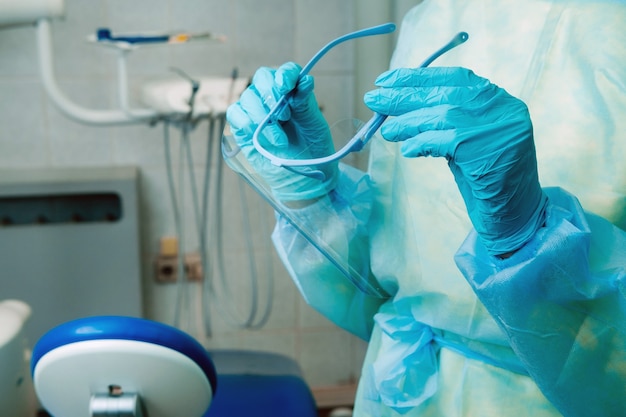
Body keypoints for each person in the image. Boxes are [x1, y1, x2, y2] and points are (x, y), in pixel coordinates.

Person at [226, 0, 626, 415]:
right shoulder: (431, 18)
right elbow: (385, 285)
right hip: (403, 393)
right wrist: (314, 196)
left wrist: (530, 238)